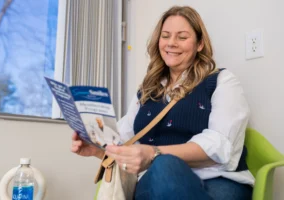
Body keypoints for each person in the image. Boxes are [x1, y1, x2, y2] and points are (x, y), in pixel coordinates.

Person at [71, 5, 254, 200]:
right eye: (165, 36)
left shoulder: (222, 81)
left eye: (182, 37)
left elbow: (220, 145)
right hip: (155, 183)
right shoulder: (147, 90)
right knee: (163, 167)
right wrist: (99, 150)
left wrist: (154, 153)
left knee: (165, 164)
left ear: (200, 44)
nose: (171, 43)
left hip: (216, 180)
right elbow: (124, 140)